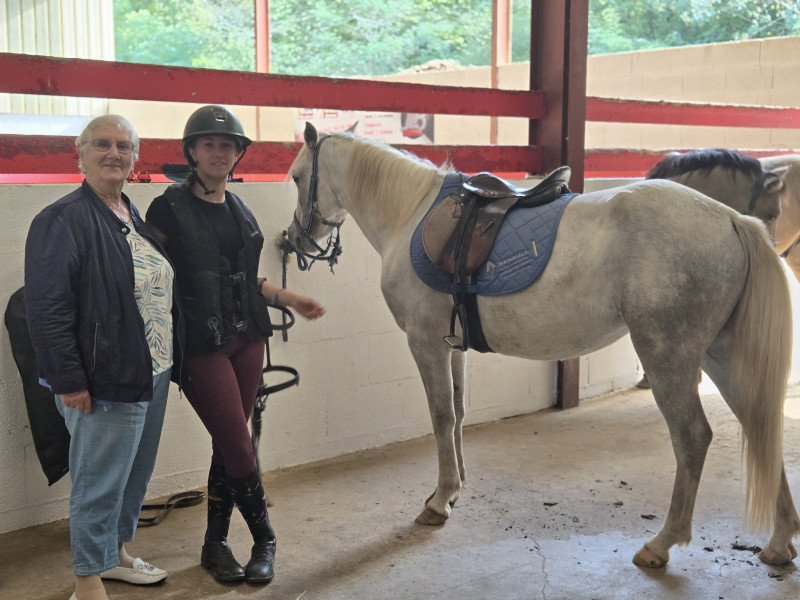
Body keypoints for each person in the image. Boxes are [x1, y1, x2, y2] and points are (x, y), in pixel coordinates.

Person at [146, 105, 325, 586]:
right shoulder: (167, 208)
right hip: (201, 344)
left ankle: (214, 544)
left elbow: (244, 279)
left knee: (228, 446)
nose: (218, 152)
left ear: (238, 153)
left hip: (248, 336)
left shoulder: (238, 207)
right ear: (192, 152)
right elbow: (148, 278)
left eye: (227, 145)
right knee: (239, 444)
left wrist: (289, 298)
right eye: (209, 144)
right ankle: (265, 537)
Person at [24, 115, 180, 600]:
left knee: (134, 472)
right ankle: (87, 578)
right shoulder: (61, 219)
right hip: (103, 377)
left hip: (150, 369)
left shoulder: (131, 215)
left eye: (123, 146)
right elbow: (46, 310)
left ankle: (115, 554)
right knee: (98, 480)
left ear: (135, 157)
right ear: (82, 154)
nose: (114, 153)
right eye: (102, 144)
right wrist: (69, 380)